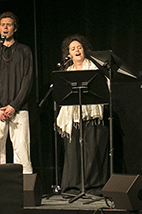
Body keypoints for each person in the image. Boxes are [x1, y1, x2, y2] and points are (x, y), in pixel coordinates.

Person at [56, 35, 109, 196]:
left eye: (79, 47)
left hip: (92, 118)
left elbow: (105, 87)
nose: (77, 50)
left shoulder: (94, 68)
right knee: (73, 154)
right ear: (69, 54)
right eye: (73, 49)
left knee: (92, 153)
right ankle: (73, 188)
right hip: (73, 119)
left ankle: (92, 187)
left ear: (84, 50)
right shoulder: (67, 72)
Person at [0, 12, 33, 174]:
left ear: (15, 28)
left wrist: (13, 106)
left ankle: (24, 184)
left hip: (19, 109)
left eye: (9, 24)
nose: (5, 27)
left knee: (22, 149)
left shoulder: (24, 51)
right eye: (2, 24)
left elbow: (27, 81)